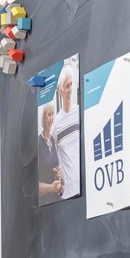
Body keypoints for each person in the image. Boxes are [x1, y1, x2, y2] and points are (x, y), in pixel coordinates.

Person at [53, 64, 80, 199]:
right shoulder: (56, 123)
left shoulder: (79, 112)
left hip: (83, 187)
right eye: (66, 86)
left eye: (71, 85)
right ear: (61, 90)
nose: (70, 89)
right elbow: (52, 155)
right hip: (68, 193)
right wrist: (58, 171)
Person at [38, 103, 63, 205]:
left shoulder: (53, 140)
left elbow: (55, 165)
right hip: (45, 202)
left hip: (57, 198)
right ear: (43, 118)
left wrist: (59, 172)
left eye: (53, 114)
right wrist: (50, 188)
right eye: (49, 114)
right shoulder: (37, 143)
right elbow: (35, 186)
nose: (51, 118)